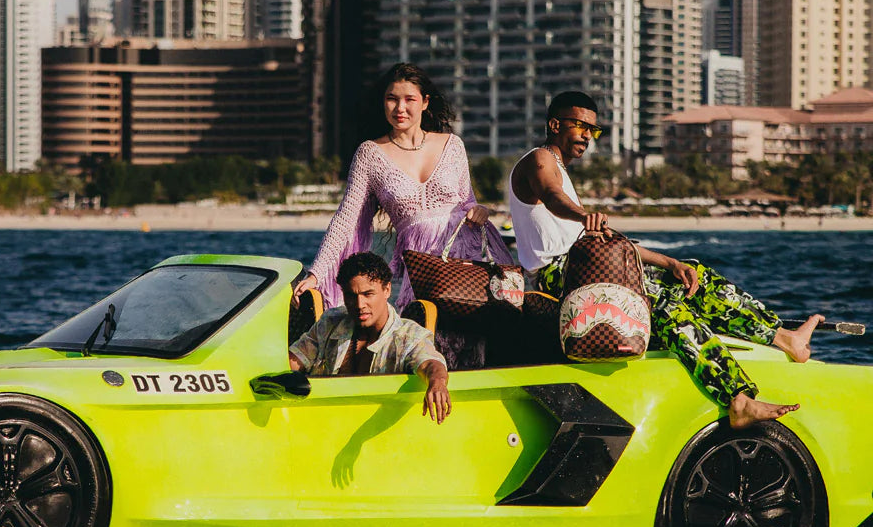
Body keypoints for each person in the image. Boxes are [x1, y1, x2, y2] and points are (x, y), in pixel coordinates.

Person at [508, 90, 824, 430]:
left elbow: (609, 242)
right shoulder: (539, 161)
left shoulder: (560, 170)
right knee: (663, 305)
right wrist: (582, 214)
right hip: (559, 275)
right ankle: (738, 397)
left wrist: (668, 262)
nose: (587, 135)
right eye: (580, 126)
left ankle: (783, 337)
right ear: (555, 124)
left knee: (693, 275)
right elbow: (553, 197)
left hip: (588, 263)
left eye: (593, 130)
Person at [293, 63, 508, 312]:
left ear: (425, 102)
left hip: (470, 262)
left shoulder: (452, 144)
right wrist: (316, 273)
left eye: (409, 99)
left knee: (478, 341)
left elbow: (467, 201)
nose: (400, 108)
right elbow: (346, 220)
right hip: (422, 272)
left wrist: (479, 209)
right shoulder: (370, 154)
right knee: (424, 335)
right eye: (392, 99)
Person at [289, 252, 451, 424]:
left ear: (387, 289)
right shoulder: (331, 322)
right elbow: (293, 360)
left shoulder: (408, 335)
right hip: (327, 423)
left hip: (378, 431)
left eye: (368, 294)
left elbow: (430, 362)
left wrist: (437, 382)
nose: (359, 305)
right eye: (351, 296)